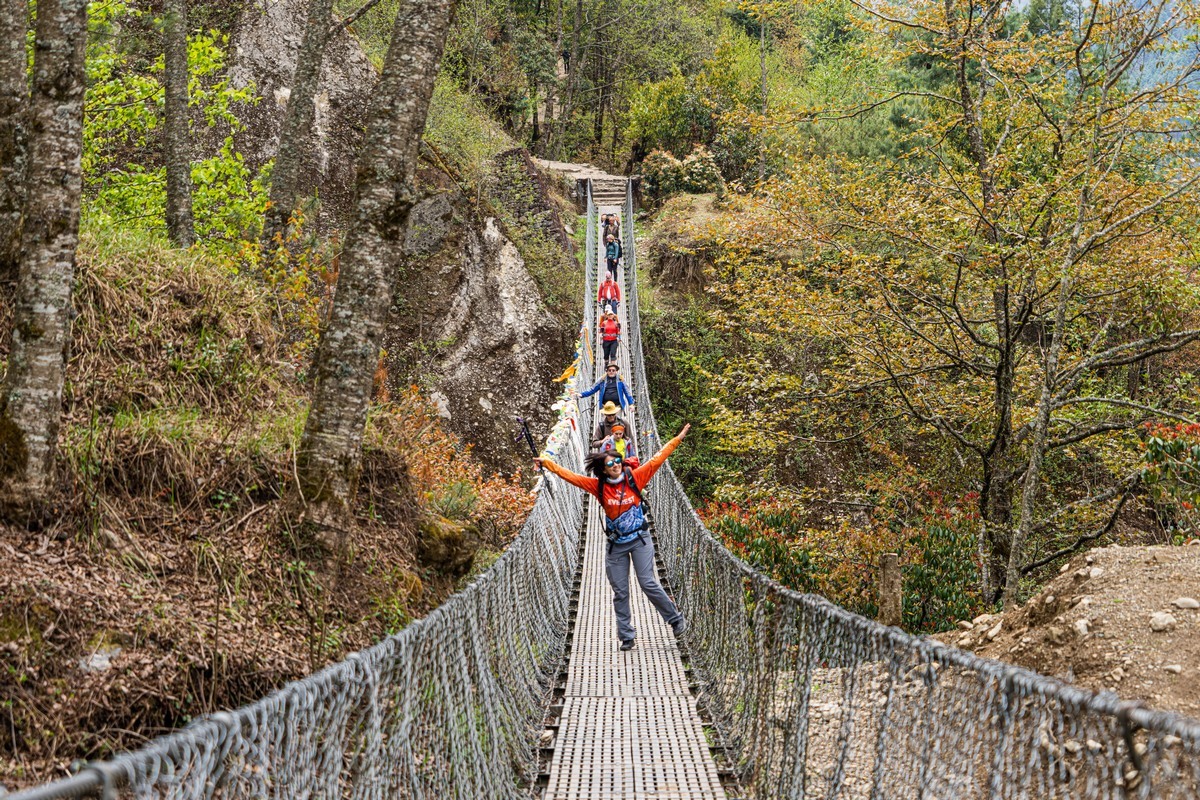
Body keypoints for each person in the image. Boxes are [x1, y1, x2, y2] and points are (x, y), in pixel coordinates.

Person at [535, 424, 691, 649]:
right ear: (603, 469)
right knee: (620, 591)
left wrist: (678, 438)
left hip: (639, 539)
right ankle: (627, 635)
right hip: (616, 545)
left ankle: (675, 619)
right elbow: (571, 477)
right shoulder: (598, 487)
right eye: (610, 464)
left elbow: (657, 459)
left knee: (647, 582)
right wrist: (547, 463)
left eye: (617, 461)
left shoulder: (635, 478)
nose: (616, 465)